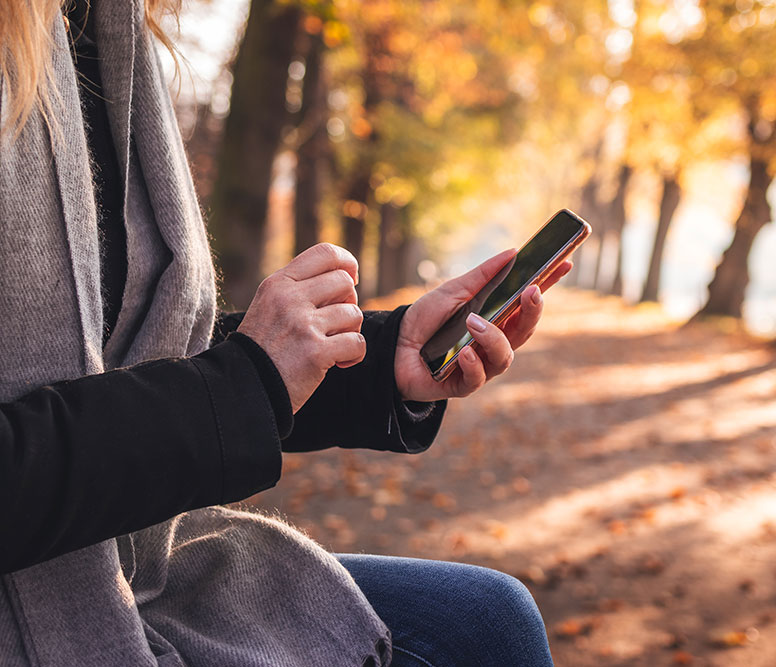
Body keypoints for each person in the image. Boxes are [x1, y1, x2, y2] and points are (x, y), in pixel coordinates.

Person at [0, 1, 572, 665]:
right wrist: (245, 381)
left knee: (487, 620)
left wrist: (382, 359)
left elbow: (126, 356)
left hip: (129, 564)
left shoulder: (101, 29)